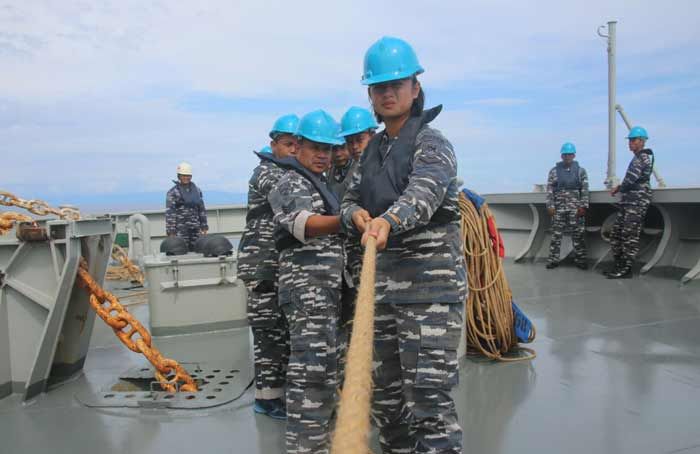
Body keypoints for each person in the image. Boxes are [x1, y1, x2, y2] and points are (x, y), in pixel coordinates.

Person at [341, 36, 467, 454]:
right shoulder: (371, 151)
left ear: (416, 89)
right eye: (380, 87)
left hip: (428, 295)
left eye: (399, 83)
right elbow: (349, 198)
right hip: (380, 296)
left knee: (429, 402)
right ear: (371, 96)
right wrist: (355, 216)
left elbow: (424, 193)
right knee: (386, 402)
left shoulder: (432, 143)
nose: (389, 92)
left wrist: (387, 221)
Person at [268, 109, 345, 454]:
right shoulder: (290, 182)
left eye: (328, 149)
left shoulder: (324, 184)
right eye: (315, 147)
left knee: (327, 374)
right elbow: (303, 222)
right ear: (297, 146)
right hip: (306, 292)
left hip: (327, 294)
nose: (322, 155)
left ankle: (322, 444)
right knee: (309, 375)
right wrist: (345, 221)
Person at [237, 114, 299, 419]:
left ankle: (277, 393)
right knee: (268, 333)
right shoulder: (267, 173)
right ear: (274, 144)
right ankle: (267, 399)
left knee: (281, 331)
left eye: (298, 145)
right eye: (288, 144)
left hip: (276, 266)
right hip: (262, 266)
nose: (293, 150)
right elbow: (292, 200)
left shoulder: (286, 171)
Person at [607, 126, 655, 279]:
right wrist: (620, 188)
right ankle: (619, 264)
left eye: (633, 140)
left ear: (642, 141)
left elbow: (630, 180)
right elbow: (629, 182)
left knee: (629, 234)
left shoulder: (642, 158)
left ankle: (626, 269)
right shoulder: (637, 157)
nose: (630, 143)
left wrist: (619, 187)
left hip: (637, 202)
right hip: (628, 202)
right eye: (630, 140)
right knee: (616, 233)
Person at [545, 142, 590, 270]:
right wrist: (550, 205)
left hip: (575, 209)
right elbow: (550, 190)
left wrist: (583, 206)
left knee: (578, 235)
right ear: (561, 156)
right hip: (558, 208)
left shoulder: (581, 171)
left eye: (570, 154)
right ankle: (553, 260)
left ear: (574, 155)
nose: (567, 157)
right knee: (556, 235)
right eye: (565, 154)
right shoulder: (554, 172)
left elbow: (585, 190)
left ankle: (581, 260)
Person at [165, 162, 208, 251]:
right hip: (180, 230)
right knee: (181, 251)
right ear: (179, 176)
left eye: (188, 175)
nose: (186, 177)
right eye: (183, 175)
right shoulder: (173, 192)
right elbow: (170, 213)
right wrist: (171, 231)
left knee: (198, 251)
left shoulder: (197, 191)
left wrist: (204, 227)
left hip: (196, 228)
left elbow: (201, 209)